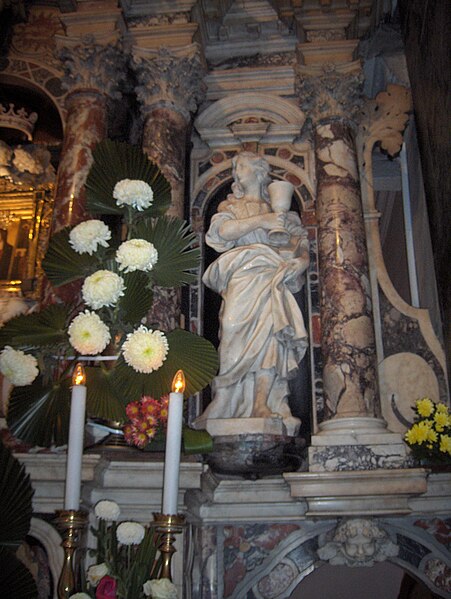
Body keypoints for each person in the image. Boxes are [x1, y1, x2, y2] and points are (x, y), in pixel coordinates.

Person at [201, 152, 309, 433]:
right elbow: (221, 232)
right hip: (242, 276)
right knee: (231, 329)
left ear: (261, 172)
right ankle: (224, 398)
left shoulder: (284, 215)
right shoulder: (231, 206)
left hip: (272, 278)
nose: (237, 173)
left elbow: (301, 248)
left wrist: (300, 262)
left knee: (271, 338)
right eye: (235, 168)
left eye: (242, 167)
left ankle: (263, 402)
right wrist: (262, 221)